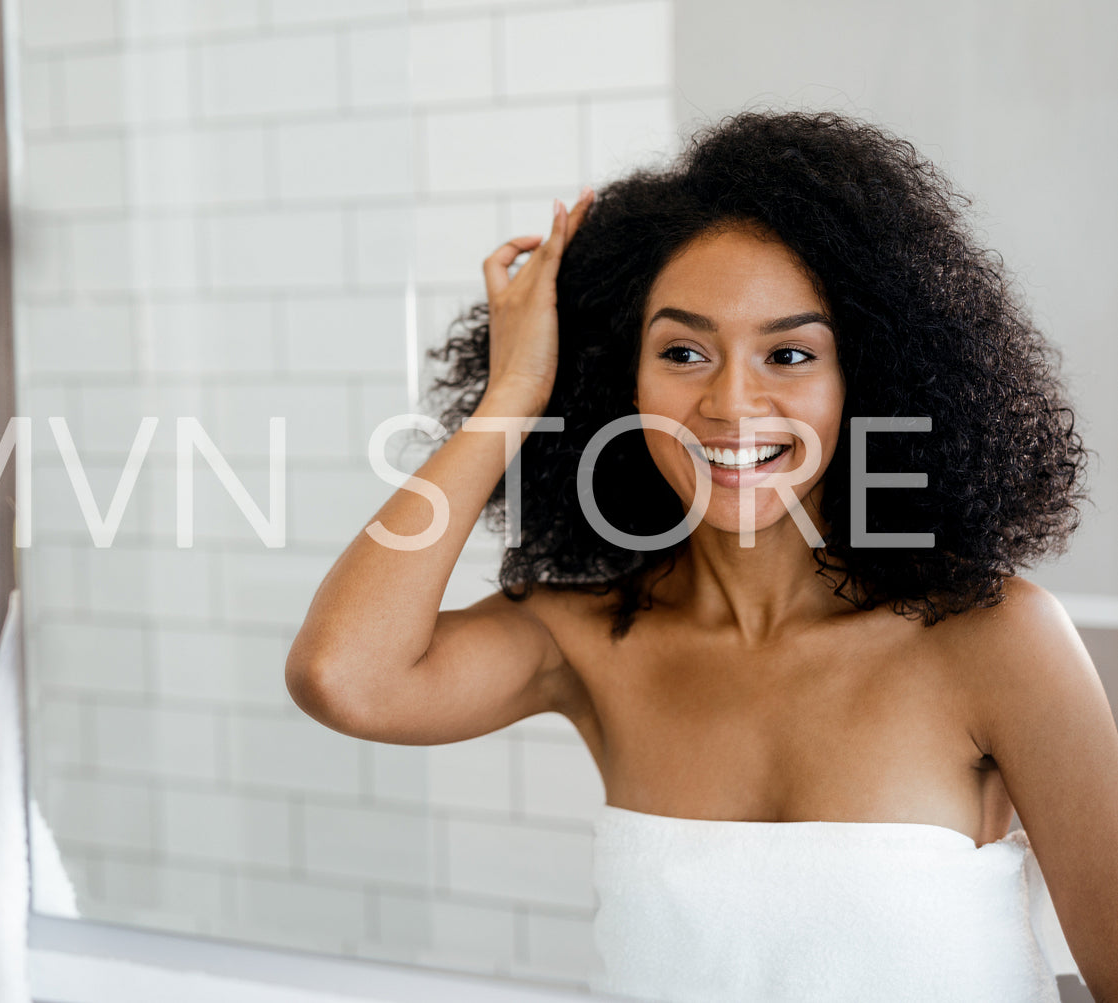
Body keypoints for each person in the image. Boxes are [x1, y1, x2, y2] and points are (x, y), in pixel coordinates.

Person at [285, 110, 1118, 1001]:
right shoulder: (590, 637)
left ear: (868, 380)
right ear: (616, 379)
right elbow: (345, 676)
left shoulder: (992, 639)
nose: (729, 403)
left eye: (788, 353)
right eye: (682, 351)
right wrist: (514, 391)